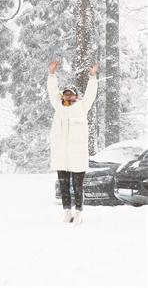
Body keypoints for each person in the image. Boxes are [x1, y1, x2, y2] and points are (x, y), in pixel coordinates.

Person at [47, 60, 98, 224]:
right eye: (65, 94)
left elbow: (90, 94)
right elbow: (51, 90)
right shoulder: (58, 107)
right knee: (64, 187)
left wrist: (92, 77)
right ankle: (67, 211)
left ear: (76, 96)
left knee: (78, 187)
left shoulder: (82, 107)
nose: (68, 96)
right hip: (61, 155)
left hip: (77, 155)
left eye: (71, 94)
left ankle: (78, 213)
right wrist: (52, 74)